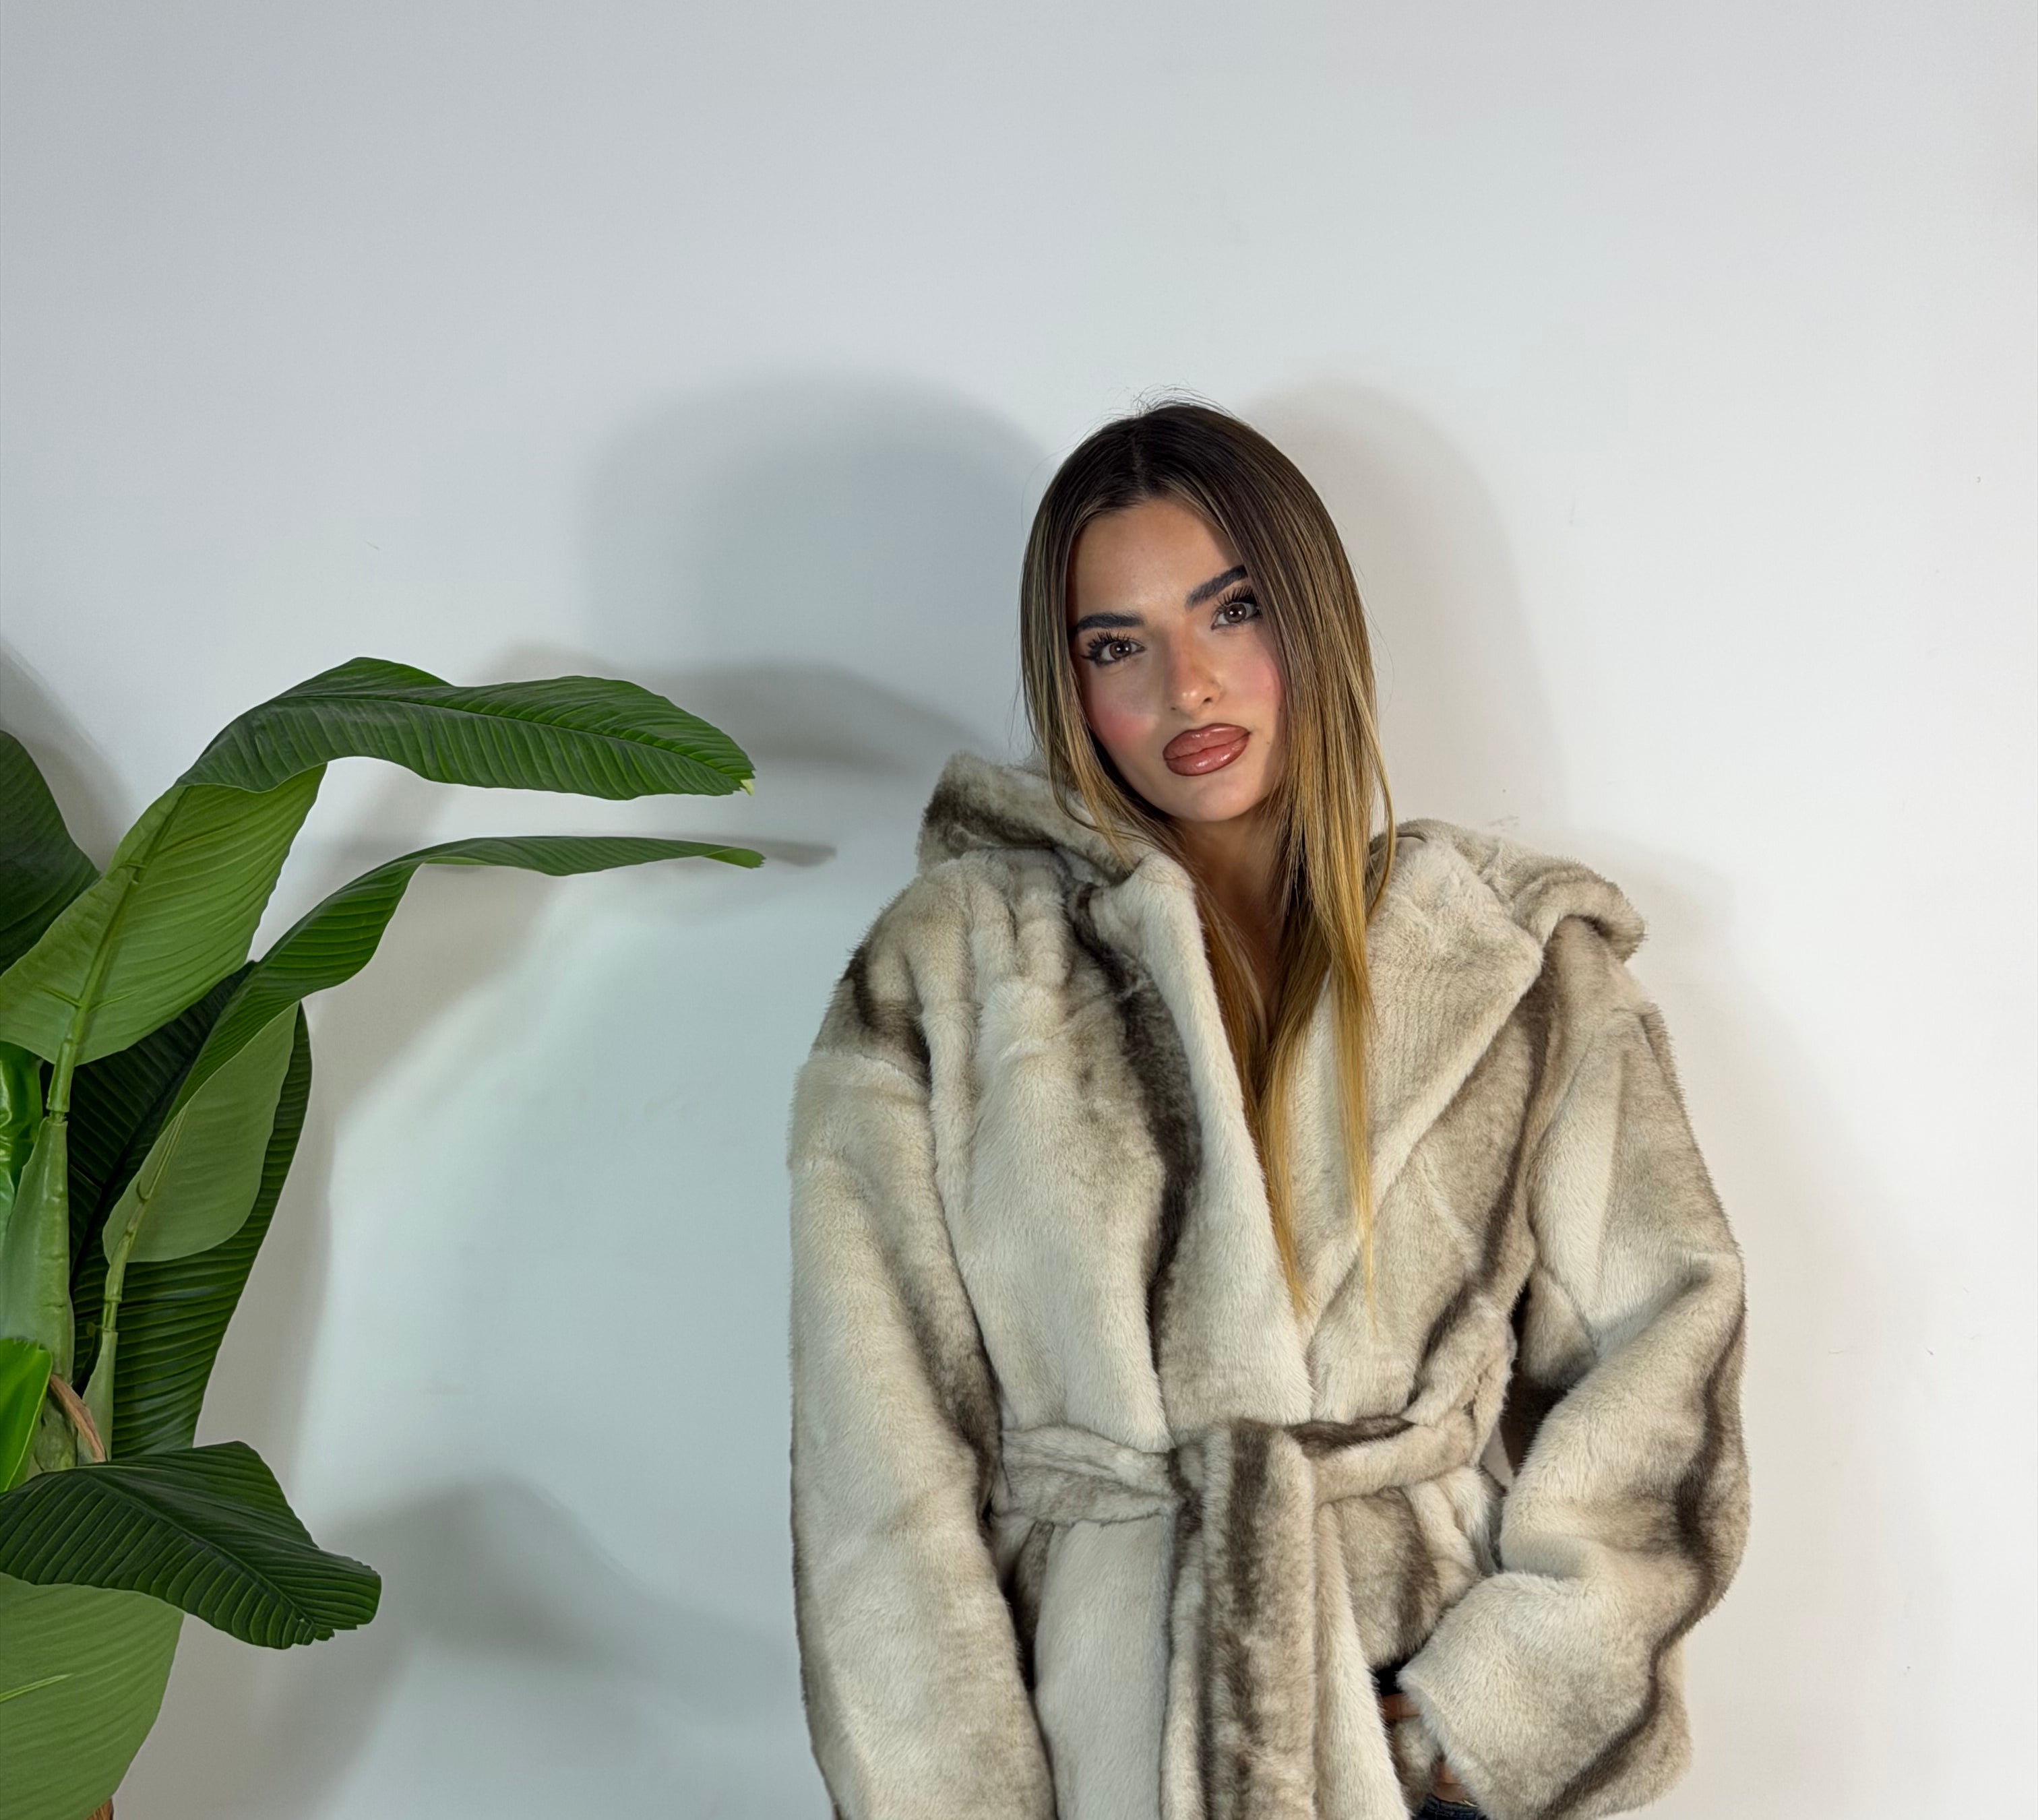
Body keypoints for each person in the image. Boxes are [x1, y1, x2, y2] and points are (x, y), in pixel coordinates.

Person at [784, 399, 1750, 1820]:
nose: (1189, 687)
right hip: (1105, 1744)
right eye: (1116, 644)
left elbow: (1664, 1335)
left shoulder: (1510, 963)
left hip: (1413, 1753)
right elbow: (881, 1465)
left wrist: (1493, 1713)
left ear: (1314, 618)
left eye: (1231, 612)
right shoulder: (954, 973)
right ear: (1069, 683)